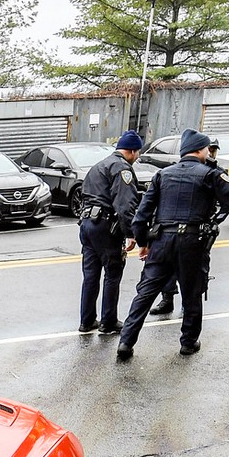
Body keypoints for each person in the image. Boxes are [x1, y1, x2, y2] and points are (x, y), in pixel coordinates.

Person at [117, 129, 229, 361]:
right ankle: (188, 342)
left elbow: (142, 215)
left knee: (145, 294)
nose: (209, 152)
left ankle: (126, 342)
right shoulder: (210, 175)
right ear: (199, 149)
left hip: (162, 242)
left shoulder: (162, 175)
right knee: (192, 293)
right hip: (192, 243)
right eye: (207, 148)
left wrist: (143, 243)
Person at [77, 131, 145, 333]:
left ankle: (87, 321)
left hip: (87, 224)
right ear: (132, 151)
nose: (138, 156)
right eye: (138, 152)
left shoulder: (99, 166)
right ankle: (108, 321)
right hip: (105, 226)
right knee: (112, 274)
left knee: (90, 275)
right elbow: (125, 205)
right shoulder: (122, 168)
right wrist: (131, 234)